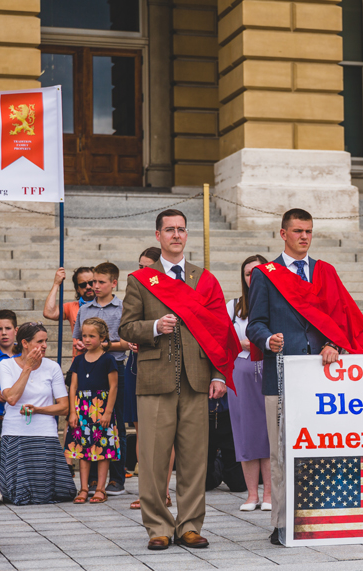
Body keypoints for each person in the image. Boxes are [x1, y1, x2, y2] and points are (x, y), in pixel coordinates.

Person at [247, 208, 363, 546]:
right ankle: (282, 522)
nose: (304, 236)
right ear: (282, 233)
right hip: (281, 374)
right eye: (297, 231)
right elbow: (254, 322)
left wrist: (333, 343)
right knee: (281, 451)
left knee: (325, 447)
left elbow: (341, 319)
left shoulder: (325, 272)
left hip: (324, 376)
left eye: (308, 231)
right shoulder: (265, 274)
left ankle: (323, 515)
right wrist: (267, 339)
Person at [119, 209, 240, 551]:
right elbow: (126, 327)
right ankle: (157, 525)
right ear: (158, 236)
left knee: (194, 458)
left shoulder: (205, 280)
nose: (176, 235)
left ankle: (189, 525)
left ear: (187, 235)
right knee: (154, 459)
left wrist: (219, 373)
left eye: (181, 230)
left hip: (197, 378)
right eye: (169, 229)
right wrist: (155, 327)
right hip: (155, 378)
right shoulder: (141, 279)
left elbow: (219, 332)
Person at [0, 322, 76, 504]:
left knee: (53, 493)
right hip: (15, 433)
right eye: (39, 341)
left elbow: (64, 407)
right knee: (17, 494)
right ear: (25, 343)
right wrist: (28, 367)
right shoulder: (7, 365)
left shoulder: (52, 367)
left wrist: (38, 409)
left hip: (45, 433)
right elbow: (11, 398)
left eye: (46, 341)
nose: (45, 346)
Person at [73, 262, 129, 497]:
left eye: (100, 282)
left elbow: (128, 343)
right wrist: (81, 344)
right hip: (88, 367)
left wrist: (105, 345)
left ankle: (116, 478)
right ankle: (94, 479)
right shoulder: (85, 309)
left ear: (114, 283)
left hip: (114, 365)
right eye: (92, 282)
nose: (94, 286)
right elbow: (77, 338)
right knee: (90, 424)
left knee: (114, 423)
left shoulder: (122, 308)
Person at [126, 247, 175, 511]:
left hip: (165, 367)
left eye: (148, 267)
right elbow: (128, 326)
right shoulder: (136, 286)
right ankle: (147, 489)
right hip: (136, 365)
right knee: (142, 432)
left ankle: (164, 490)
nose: (143, 272)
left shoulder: (168, 288)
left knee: (165, 432)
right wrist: (135, 338)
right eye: (140, 266)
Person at [227, 255, 271, 512]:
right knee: (245, 432)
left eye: (257, 272)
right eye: (247, 273)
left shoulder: (278, 303)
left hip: (268, 367)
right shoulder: (233, 306)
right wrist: (241, 343)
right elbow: (221, 339)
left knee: (268, 432)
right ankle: (251, 494)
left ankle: (269, 495)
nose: (252, 277)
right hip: (242, 369)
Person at [65, 318, 121, 504]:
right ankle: (83, 488)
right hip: (82, 408)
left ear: (103, 337)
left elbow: (113, 387)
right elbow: (73, 387)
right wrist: (73, 412)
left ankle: (100, 489)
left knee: (102, 448)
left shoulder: (108, 360)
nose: (87, 339)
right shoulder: (78, 360)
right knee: (83, 449)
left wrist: (108, 412)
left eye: (92, 336)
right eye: (84, 336)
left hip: (101, 408)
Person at [43, 266, 95, 356]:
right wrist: (56, 284)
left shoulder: (106, 306)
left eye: (91, 282)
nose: (88, 287)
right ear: (77, 289)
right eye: (83, 285)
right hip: (79, 362)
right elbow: (49, 313)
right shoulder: (71, 307)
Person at [205, 393, 246, 493]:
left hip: (228, 415)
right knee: (204, 484)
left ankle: (222, 461)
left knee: (238, 485)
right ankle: (217, 463)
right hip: (204, 417)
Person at [0, 309, 18, 493]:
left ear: (16, 330)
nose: (4, 333)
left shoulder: (25, 355)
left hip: (19, 416)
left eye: (8, 328)